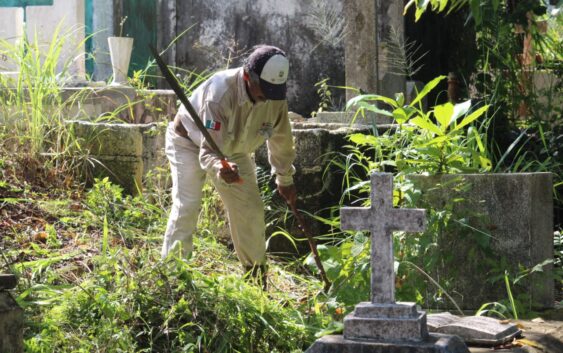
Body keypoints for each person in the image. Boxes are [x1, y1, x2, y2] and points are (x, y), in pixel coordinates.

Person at [161, 44, 297, 287]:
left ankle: (255, 282)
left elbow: (281, 139)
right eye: (262, 90)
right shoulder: (220, 93)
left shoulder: (274, 97)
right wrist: (220, 169)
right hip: (190, 142)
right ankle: (173, 280)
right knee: (188, 205)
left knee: (252, 211)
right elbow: (209, 151)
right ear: (248, 76)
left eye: (272, 92)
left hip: (236, 148)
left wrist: (284, 179)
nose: (266, 97)